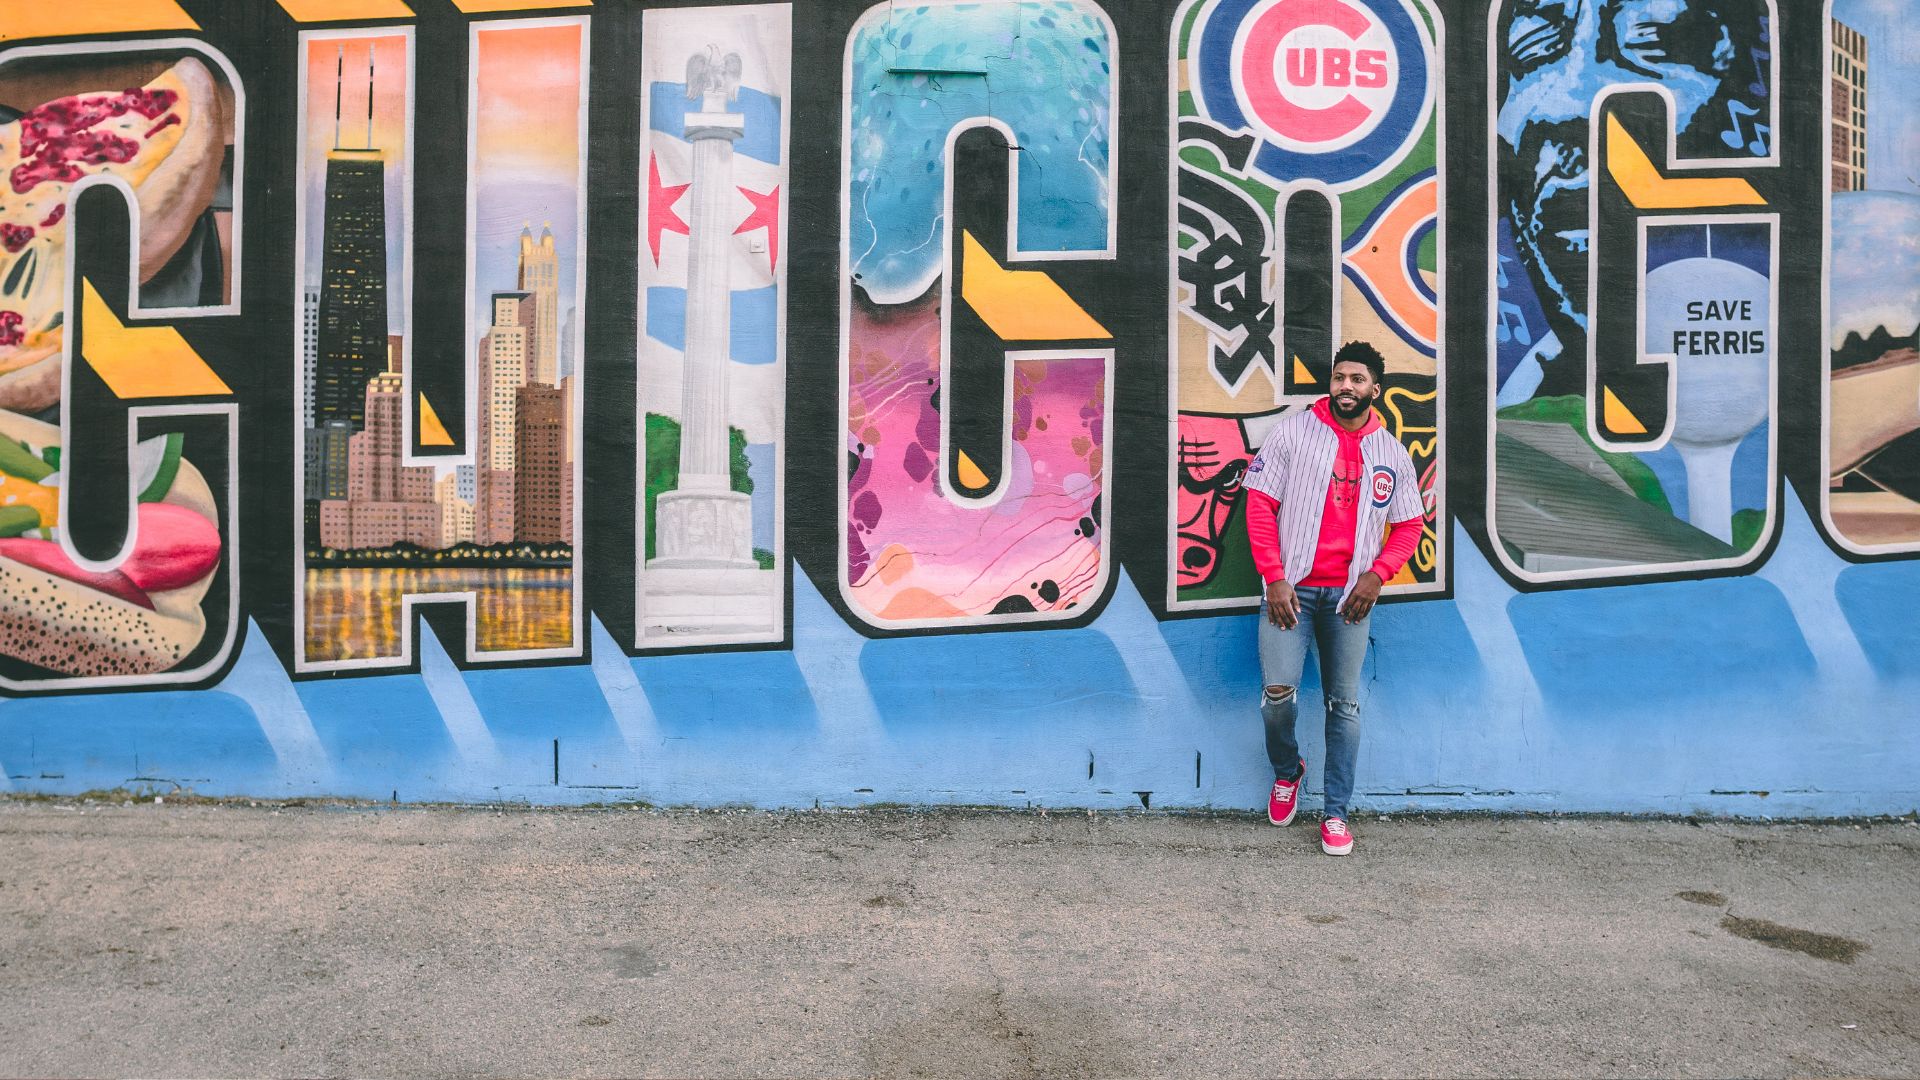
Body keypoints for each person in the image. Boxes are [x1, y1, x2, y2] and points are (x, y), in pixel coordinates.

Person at [1242, 342, 1424, 855]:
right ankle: (1288, 770)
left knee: (1344, 705)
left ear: (1375, 389)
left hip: (1349, 601)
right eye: (1339, 377)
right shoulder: (1295, 432)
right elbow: (1259, 504)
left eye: (1358, 379)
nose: (1347, 386)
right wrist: (1274, 577)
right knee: (1278, 697)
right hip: (1290, 593)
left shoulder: (1390, 452)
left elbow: (1410, 524)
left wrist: (1379, 574)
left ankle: (1336, 813)